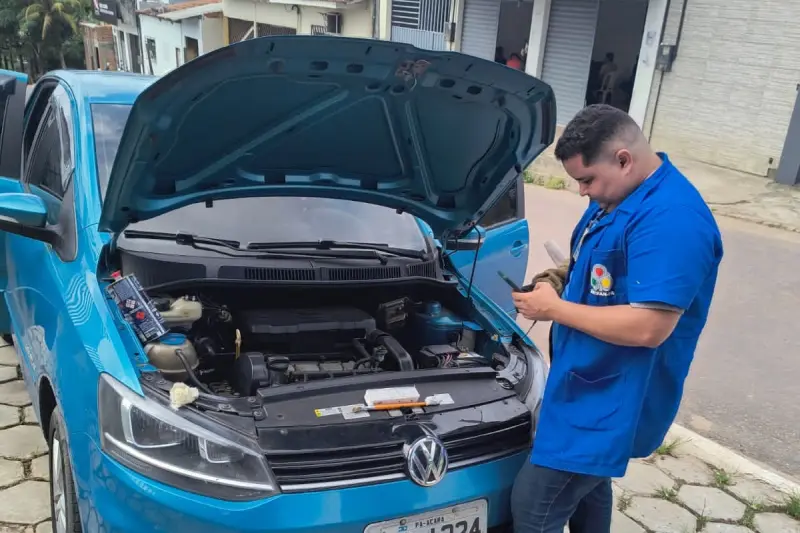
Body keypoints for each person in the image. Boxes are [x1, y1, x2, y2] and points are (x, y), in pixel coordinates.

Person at [509, 104, 724, 533]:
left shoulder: (672, 220)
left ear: (623, 159)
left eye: (586, 179)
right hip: (587, 382)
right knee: (590, 489)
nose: (582, 192)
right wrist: (558, 278)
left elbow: (649, 327)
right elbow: (598, 264)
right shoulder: (620, 196)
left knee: (535, 507)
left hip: (613, 399)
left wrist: (552, 309)